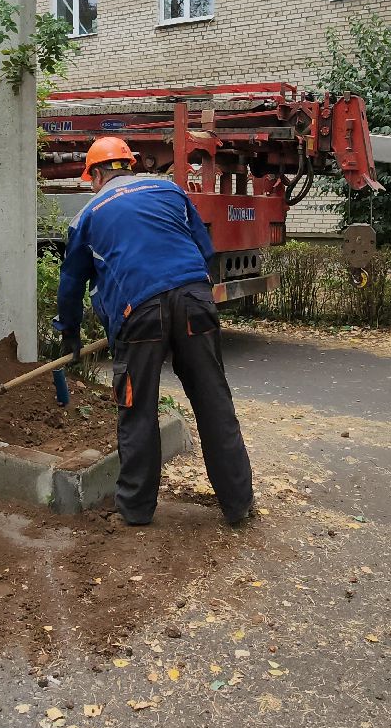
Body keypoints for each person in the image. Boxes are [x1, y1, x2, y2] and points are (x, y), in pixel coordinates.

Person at [55, 136, 255, 527]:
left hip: (139, 313)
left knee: (137, 409)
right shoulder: (171, 190)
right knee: (214, 402)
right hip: (196, 301)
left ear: (97, 174)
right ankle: (239, 503)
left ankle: (135, 510)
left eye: (91, 178)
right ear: (129, 165)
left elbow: (71, 283)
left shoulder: (88, 215)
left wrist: (70, 332)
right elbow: (205, 249)